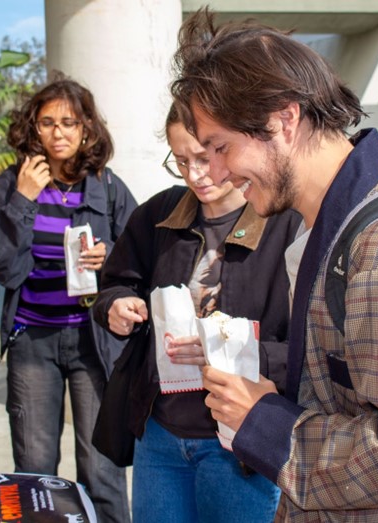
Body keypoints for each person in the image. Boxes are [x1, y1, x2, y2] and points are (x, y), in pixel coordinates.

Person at [170, 9, 378, 522]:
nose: (219, 173)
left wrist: (265, 424)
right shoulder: (334, 222)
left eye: (222, 148)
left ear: (284, 119)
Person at [93, 104, 301, 523]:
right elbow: (116, 283)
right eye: (181, 161)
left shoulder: (285, 222)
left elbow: (309, 347)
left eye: (205, 158)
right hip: (161, 435)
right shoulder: (157, 214)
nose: (195, 175)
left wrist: (237, 351)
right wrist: (115, 306)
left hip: (240, 437)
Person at [0, 71, 137, 523]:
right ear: (34, 128)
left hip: (94, 342)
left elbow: (141, 260)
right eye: (47, 123)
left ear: (86, 129)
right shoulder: (11, 184)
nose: (58, 132)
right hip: (33, 341)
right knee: (34, 468)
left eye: (69, 122)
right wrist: (23, 199)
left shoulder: (108, 186)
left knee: (101, 467)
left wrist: (109, 260)